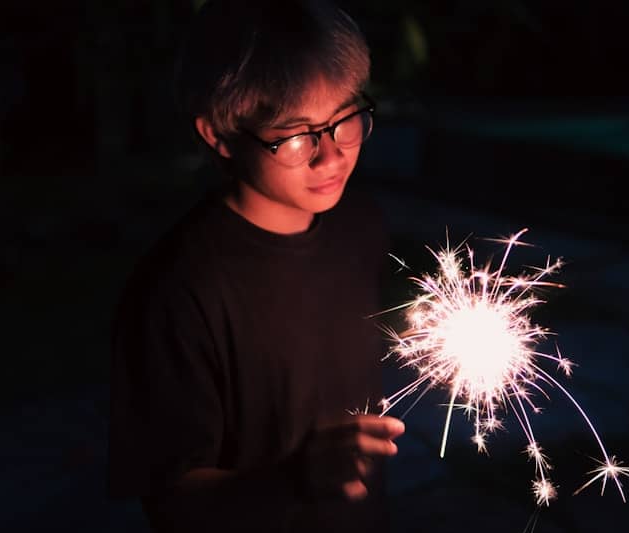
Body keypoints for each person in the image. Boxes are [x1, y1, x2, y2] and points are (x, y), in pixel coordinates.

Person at [107, 1, 405, 531]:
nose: (331, 156)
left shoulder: (360, 225)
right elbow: (172, 498)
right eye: (294, 136)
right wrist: (294, 477)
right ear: (219, 136)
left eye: (345, 119)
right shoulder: (180, 288)